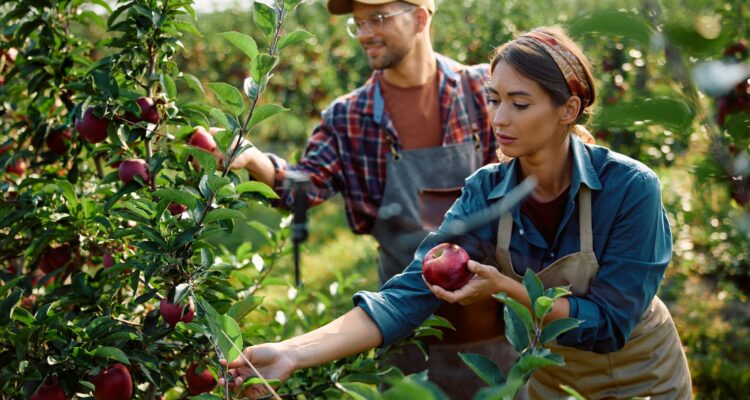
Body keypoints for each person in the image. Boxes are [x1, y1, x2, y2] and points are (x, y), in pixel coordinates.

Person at [222, 26, 693, 399]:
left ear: (568, 108)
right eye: (494, 99)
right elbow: (405, 295)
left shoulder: (629, 189)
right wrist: (290, 353)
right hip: (549, 374)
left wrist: (508, 290)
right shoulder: (487, 190)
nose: (499, 119)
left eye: (519, 103)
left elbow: (608, 325)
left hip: (641, 378)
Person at [224, 0, 519, 395]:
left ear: (419, 16)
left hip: (496, 336)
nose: (364, 34)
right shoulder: (349, 115)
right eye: (358, 23)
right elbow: (307, 184)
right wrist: (256, 161)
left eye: (377, 18)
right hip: (401, 336)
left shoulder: (482, 92)